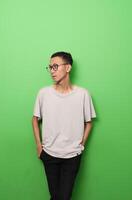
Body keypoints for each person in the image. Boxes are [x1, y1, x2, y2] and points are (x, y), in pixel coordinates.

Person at [32, 51, 96, 200]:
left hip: (72, 155)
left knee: (64, 197)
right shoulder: (44, 93)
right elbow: (34, 119)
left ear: (68, 68)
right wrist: (38, 146)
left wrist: (81, 144)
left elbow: (89, 123)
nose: (52, 71)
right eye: (50, 67)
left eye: (55, 66)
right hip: (49, 154)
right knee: (55, 196)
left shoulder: (83, 94)